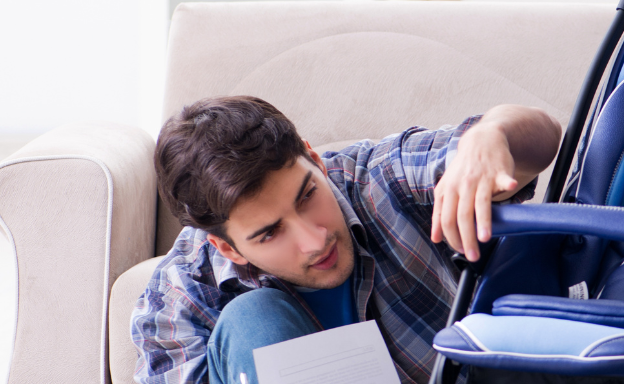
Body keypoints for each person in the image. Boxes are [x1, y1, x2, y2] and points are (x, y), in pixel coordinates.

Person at [130, 95, 561, 384]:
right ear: (226, 246)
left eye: (308, 195)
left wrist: (491, 135)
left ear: (315, 159)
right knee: (252, 318)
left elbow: (540, 138)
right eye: (270, 233)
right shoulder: (179, 301)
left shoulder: (379, 178)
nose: (315, 241)